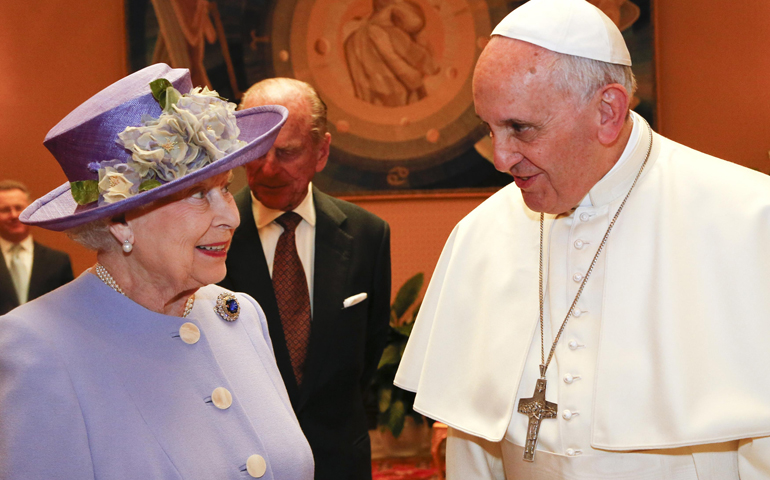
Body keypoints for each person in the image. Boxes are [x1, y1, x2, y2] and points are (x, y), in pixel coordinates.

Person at [394, 0, 770, 478]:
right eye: (489, 128)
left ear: (608, 111)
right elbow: (472, 442)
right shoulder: (480, 235)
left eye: (520, 128)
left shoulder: (748, 220)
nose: (500, 158)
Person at [0, 63, 315, 479]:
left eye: (224, 187)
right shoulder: (36, 345)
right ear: (120, 223)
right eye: (198, 195)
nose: (231, 217)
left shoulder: (241, 316)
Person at [221, 78, 391, 480]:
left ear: (322, 151)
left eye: (288, 152)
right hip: (241, 461)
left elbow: (369, 351)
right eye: (257, 150)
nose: (267, 168)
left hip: (339, 461)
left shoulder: (368, 235)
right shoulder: (212, 237)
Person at [0, 180, 73, 315]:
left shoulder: (58, 262)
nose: (14, 215)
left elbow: (68, 310)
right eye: (5, 210)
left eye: (19, 208)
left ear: (30, 210)